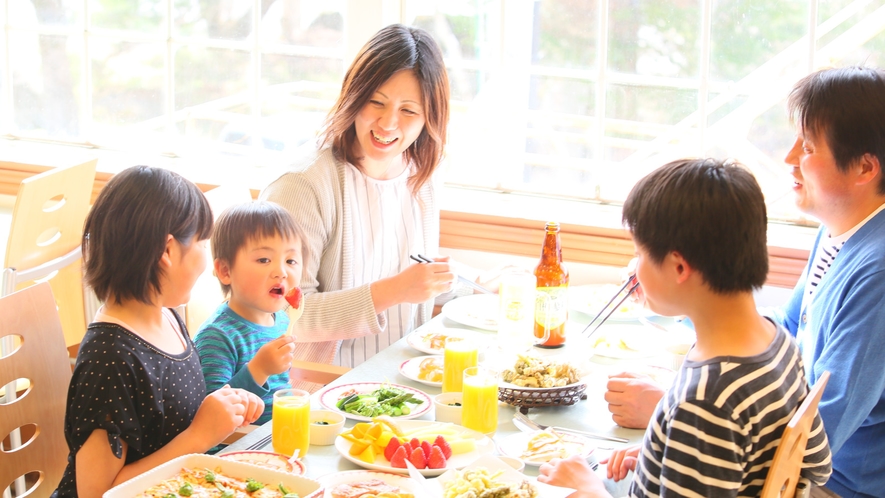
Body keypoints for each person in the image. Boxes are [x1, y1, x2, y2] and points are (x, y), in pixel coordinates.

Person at [604, 66, 885, 497]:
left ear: (865, 167)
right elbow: (784, 328)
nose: (790, 158)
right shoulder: (839, 230)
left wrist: (673, 411)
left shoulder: (878, 271)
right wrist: (689, 306)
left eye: (807, 147)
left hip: (832, 485)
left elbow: (822, 426)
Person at [539, 158, 832, 497]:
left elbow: (710, 426)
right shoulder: (779, 342)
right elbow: (817, 463)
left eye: (640, 255)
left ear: (679, 267)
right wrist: (665, 455)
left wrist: (587, 491)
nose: (635, 269)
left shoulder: (705, 402)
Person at [260, 24, 457, 385]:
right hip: (322, 384)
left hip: (406, 375)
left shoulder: (421, 173)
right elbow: (285, 312)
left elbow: (411, 273)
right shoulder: (303, 184)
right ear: (354, 96)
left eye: (409, 111)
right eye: (376, 103)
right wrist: (396, 289)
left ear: (430, 118)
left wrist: (471, 282)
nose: (388, 123)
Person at [53, 166, 264, 498]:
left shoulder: (167, 316)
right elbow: (95, 492)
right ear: (167, 252)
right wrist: (198, 437)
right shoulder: (110, 358)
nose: (207, 261)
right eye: (202, 242)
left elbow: (166, 418)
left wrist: (222, 406)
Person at [194, 201, 307, 425]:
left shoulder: (282, 320)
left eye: (290, 260)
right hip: (239, 447)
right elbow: (211, 419)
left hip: (280, 435)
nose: (281, 272)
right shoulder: (217, 336)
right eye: (264, 260)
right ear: (226, 271)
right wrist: (259, 370)